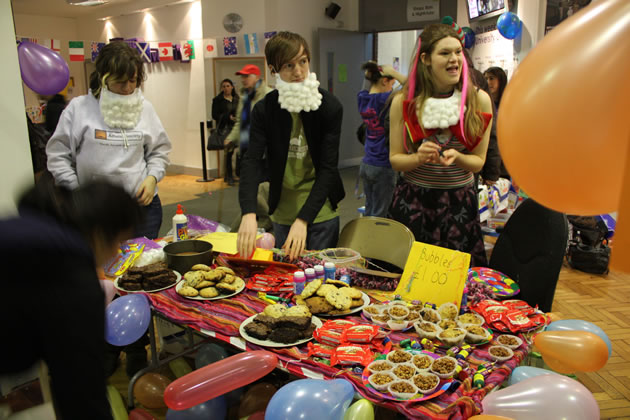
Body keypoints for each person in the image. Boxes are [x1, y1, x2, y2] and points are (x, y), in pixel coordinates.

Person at [0, 179, 143, 420]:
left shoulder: (28, 229)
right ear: (99, 234)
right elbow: (81, 391)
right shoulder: (71, 278)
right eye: (119, 241)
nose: (119, 252)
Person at [388, 24, 493, 267]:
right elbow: (395, 159)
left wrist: (457, 157)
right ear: (425, 59)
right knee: (405, 283)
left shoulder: (479, 100)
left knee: (455, 286)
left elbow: (478, 162)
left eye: (458, 52)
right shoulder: (403, 102)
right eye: (445, 53)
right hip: (413, 201)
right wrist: (417, 158)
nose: (454, 59)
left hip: (459, 205)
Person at [46, 41, 172, 240]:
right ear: (103, 77)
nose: (127, 88)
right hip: (95, 210)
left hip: (141, 208)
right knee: (103, 267)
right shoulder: (79, 108)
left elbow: (159, 151)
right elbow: (58, 156)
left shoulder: (145, 109)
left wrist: (152, 178)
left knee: (145, 264)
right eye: (120, 81)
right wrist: (77, 192)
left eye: (133, 81)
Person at [237, 31, 345, 260]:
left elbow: (328, 169)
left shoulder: (329, 107)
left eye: (303, 62)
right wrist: (248, 212)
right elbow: (251, 161)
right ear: (274, 70)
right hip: (282, 211)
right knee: (287, 282)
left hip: (321, 211)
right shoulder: (265, 110)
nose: (298, 72)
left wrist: (303, 219)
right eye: (288, 65)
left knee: (321, 281)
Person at [357, 61, 407, 217]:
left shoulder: (362, 97)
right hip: (383, 165)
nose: (393, 87)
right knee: (381, 215)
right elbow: (412, 87)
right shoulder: (385, 99)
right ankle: (376, 241)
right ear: (385, 81)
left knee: (369, 210)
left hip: (367, 163)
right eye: (392, 83)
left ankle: (368, 240)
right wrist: (395, 73)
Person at [211, 78, 239, 185]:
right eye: (224, 86)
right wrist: (228, 117)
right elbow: (214, 115)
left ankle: (232, 174)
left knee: (235, 152)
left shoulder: (237, 99)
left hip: (236, 127)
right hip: (225, 129)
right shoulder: (217, 100)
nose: (226, 88)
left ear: (232, 87)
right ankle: (229, 176)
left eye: (228, 86)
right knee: (228, 152)